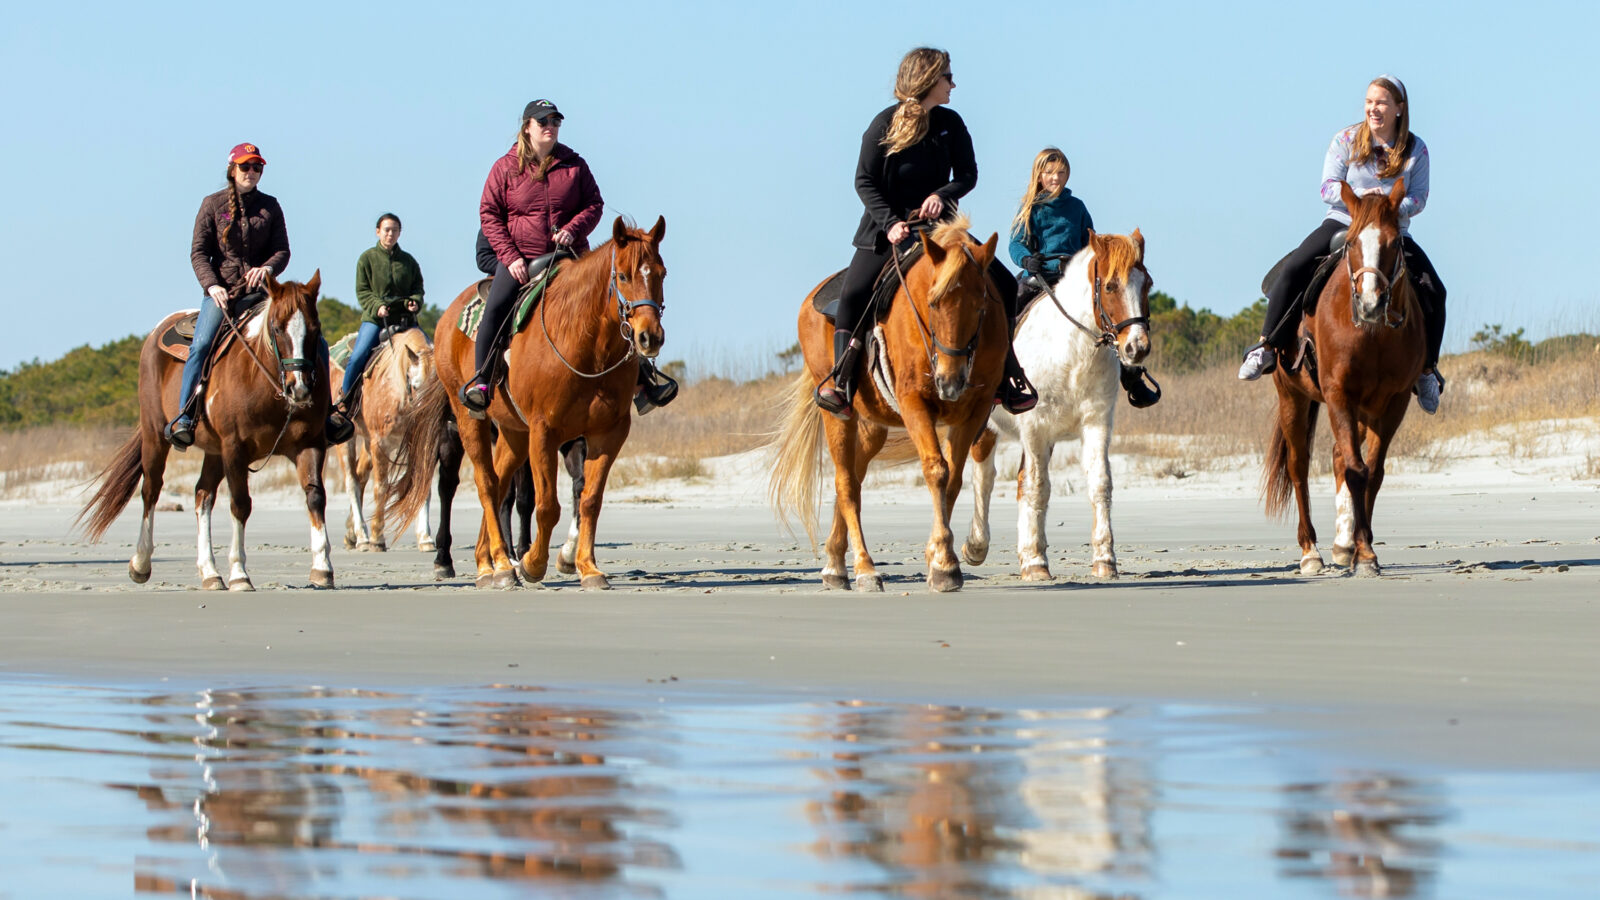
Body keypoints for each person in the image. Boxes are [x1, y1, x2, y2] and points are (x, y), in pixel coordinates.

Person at [815, 47, 1035, 419]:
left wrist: (941, 195)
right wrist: (890, 222)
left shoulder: (952, 123)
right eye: (947, 76)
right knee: (853, 293)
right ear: (928, 79)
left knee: (1005, 284)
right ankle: (841, 381)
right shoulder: (882, 124)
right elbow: (863, 181)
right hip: (888, 231)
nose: (953, 83)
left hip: (942, 229)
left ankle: (1008, 373)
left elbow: (968, 175)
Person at [1239, 75, 1446, 413]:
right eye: (1369, 102)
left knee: (1435, 289)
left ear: (1399, 108)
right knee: (1293, 269)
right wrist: (1363, 203)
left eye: (1381, 103)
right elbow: (1327, 186)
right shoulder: (1347, 139)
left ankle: (1426, 370)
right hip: (1344, 222)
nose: (1373, 109)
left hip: (1391, 229)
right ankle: (1266, 346)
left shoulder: (1416, 149)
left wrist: (1388, 209)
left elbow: (1420, 197)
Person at [168, 142, 352, 448]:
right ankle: (185, 417)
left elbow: (282, 250)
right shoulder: (211, 205)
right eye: (245, 166)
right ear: (232, 169)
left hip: (262, 295)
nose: (251, 172)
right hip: (222, 295)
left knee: (315, 340)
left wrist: (266, 269)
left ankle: (328, 414)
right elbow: (198, 253)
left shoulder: (270, 205)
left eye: (257, 167)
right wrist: (212, 286)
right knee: (200, 346)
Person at [1009, 147, 1160, 407]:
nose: (1055, 177)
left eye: (1061, 172)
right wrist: (1026, 260)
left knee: (1108, 317)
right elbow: (1015, 243)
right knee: (1010, 308)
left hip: (1073, 277)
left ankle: (1132, 377)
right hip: (1039, 275)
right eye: (1049, 172)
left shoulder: (1077, 207)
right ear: (1039, 175)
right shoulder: (1030, 208)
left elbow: (1091, 244)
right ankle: (1004, 372)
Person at [338, 213, 424, 412]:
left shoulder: (409, 261)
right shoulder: (366, 259)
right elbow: (362, 290)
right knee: (358, 356)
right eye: (386, 230)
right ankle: (345, 401)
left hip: (405, 320)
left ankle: (443, 409)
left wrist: (415, 302)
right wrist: (377, 306)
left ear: (400, 233)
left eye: (395, 230)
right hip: (376, 320)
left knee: (429, 353)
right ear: (378, 232)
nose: (390, 234)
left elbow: (417, 287)